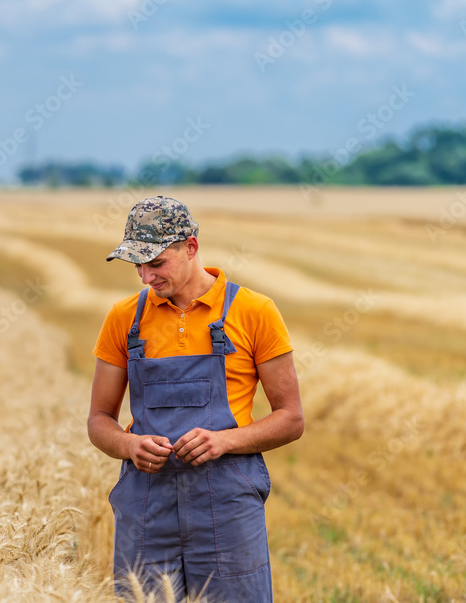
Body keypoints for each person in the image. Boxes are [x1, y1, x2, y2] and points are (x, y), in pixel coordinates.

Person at [88, 196, 304, 602]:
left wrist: (224, 441)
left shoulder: (254, 312)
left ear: (190, 247)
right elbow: (99, 419)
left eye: (156, 263)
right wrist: (129, 445)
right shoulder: (123, 319)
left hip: (227, 506)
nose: (145, 277)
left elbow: (291, 418)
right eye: (137, 264)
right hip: (147, 505)